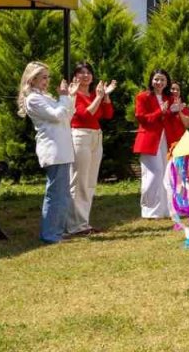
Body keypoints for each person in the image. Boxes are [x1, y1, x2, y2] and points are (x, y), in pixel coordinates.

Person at [18, 62, 78, 244]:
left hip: (62, 148)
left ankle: (57, 231)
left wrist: (69, 97)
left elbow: (67, 115)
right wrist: (63, 98)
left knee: (63, 193)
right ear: (32, 78)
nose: (47, 81)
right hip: (53, 149)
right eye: (43, 77)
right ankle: (50, 234)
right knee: (55, 193)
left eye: (47, 77)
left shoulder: (46, 96)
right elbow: (57, 115)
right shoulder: (33, 99)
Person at [68, 62, 116, 236]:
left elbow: (108, 114)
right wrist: (98, 96)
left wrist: (106, 96)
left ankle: (83, 223)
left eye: (88, 72)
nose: (85, 75)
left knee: (89, 181)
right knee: (79, 180)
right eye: (81, 73)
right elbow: (84, 115)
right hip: (80, 136)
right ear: (75, 77)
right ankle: (74, 225)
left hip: (96, 136)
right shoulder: (73, 96)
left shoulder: (92, 94)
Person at [133, 70, 176, 218]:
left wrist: (174, 111)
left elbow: (168, 118)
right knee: (153, 173)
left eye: (163, 80)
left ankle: (164, 209)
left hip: (165, 139)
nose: (159, 83)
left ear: (167, 82)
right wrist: (160, 111)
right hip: (149, 139)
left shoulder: (167, 97)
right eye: (157, 79)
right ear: (151, 80)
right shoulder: (142, 96)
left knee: (165, 173)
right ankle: (149, 210)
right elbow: (141, 118)